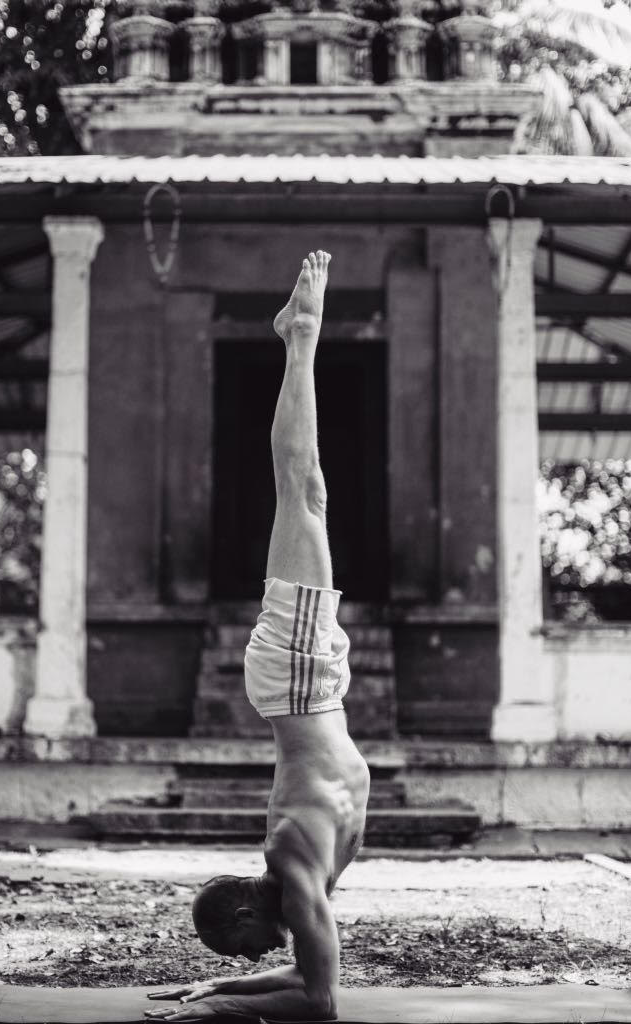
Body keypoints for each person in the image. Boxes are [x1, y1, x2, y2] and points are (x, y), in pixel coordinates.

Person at [146, 250, 370, 1022]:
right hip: (307, 687)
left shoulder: (293, 867)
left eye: (238, 954)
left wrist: (212, 1012)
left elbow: (317, 1002)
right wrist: (219, 988)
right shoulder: (297, 880)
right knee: (307, 495)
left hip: (299, 683)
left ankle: (299, 336)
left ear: (246, 914)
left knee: (302, 492)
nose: (251, 959)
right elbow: (310, 986)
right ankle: (297, 338)